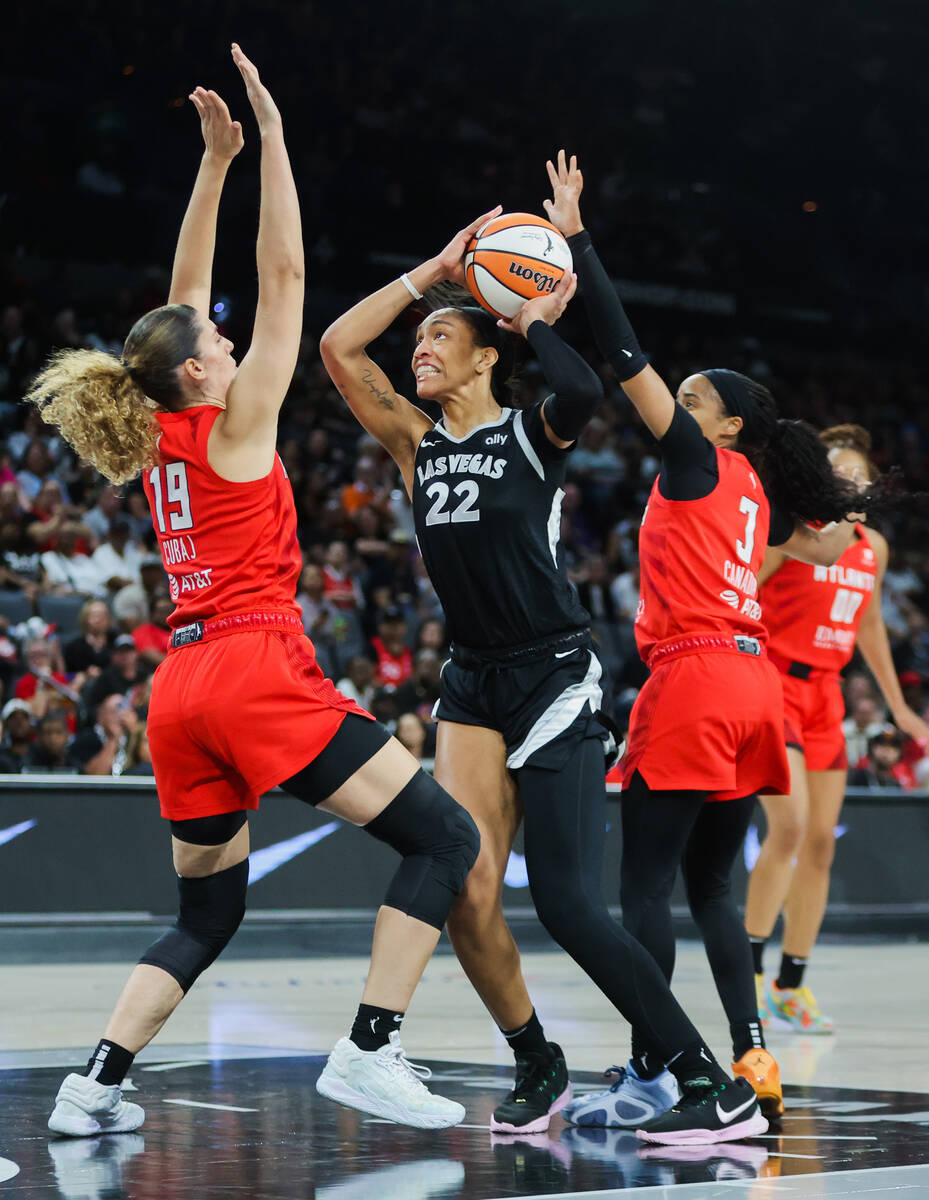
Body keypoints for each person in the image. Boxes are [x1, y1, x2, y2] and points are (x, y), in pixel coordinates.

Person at [27, 47, 478, 1136]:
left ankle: (92, 1086)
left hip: (179, 689)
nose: (230, 340)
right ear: (198, 373)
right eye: (218, 345)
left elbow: (181, 305)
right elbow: (279, 285)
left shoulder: (157, 428)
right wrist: (273, 139)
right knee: (444, 842)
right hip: (251, 665)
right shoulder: (234, 424)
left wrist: (212, 166)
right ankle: (369, 1050)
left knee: (207, 908)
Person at [321, 204, 766, 1146]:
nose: (419, 351)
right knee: (469, 887)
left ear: (485, 354)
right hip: (473, 681)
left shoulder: (532, 432)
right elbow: (336, 344)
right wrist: (433, 271)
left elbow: (582, 388)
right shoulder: (415, 442)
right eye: (421, 339)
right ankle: (534, 1055)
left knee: (566, 902)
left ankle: (706, 1082)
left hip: (554, 675)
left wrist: (524, 312)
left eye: (440, 335)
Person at [543, 151, 877, 1137]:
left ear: (724, 423)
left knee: (638, 893)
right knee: (712, 894)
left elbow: (619, 352)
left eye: (691, 399)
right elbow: (804, 544)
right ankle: (750, 1056)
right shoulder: (757, 491)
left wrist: (575, 240)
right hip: (753, 690)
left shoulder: (698, 460)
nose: (672, 407)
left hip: (691, 682)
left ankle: (661, 1072)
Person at [744, 424, 929, 1031]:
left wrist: (897, 706)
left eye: (859, 471)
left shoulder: (871, 547)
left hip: (827, 692)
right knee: (790, 827)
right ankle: (743, 972)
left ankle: (789, 986)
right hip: (773, 681)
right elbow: (741, 593)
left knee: (821, 842)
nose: (850, 478)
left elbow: (868, 623)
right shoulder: (795, 532)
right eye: (838, 468)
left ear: (872, 485)